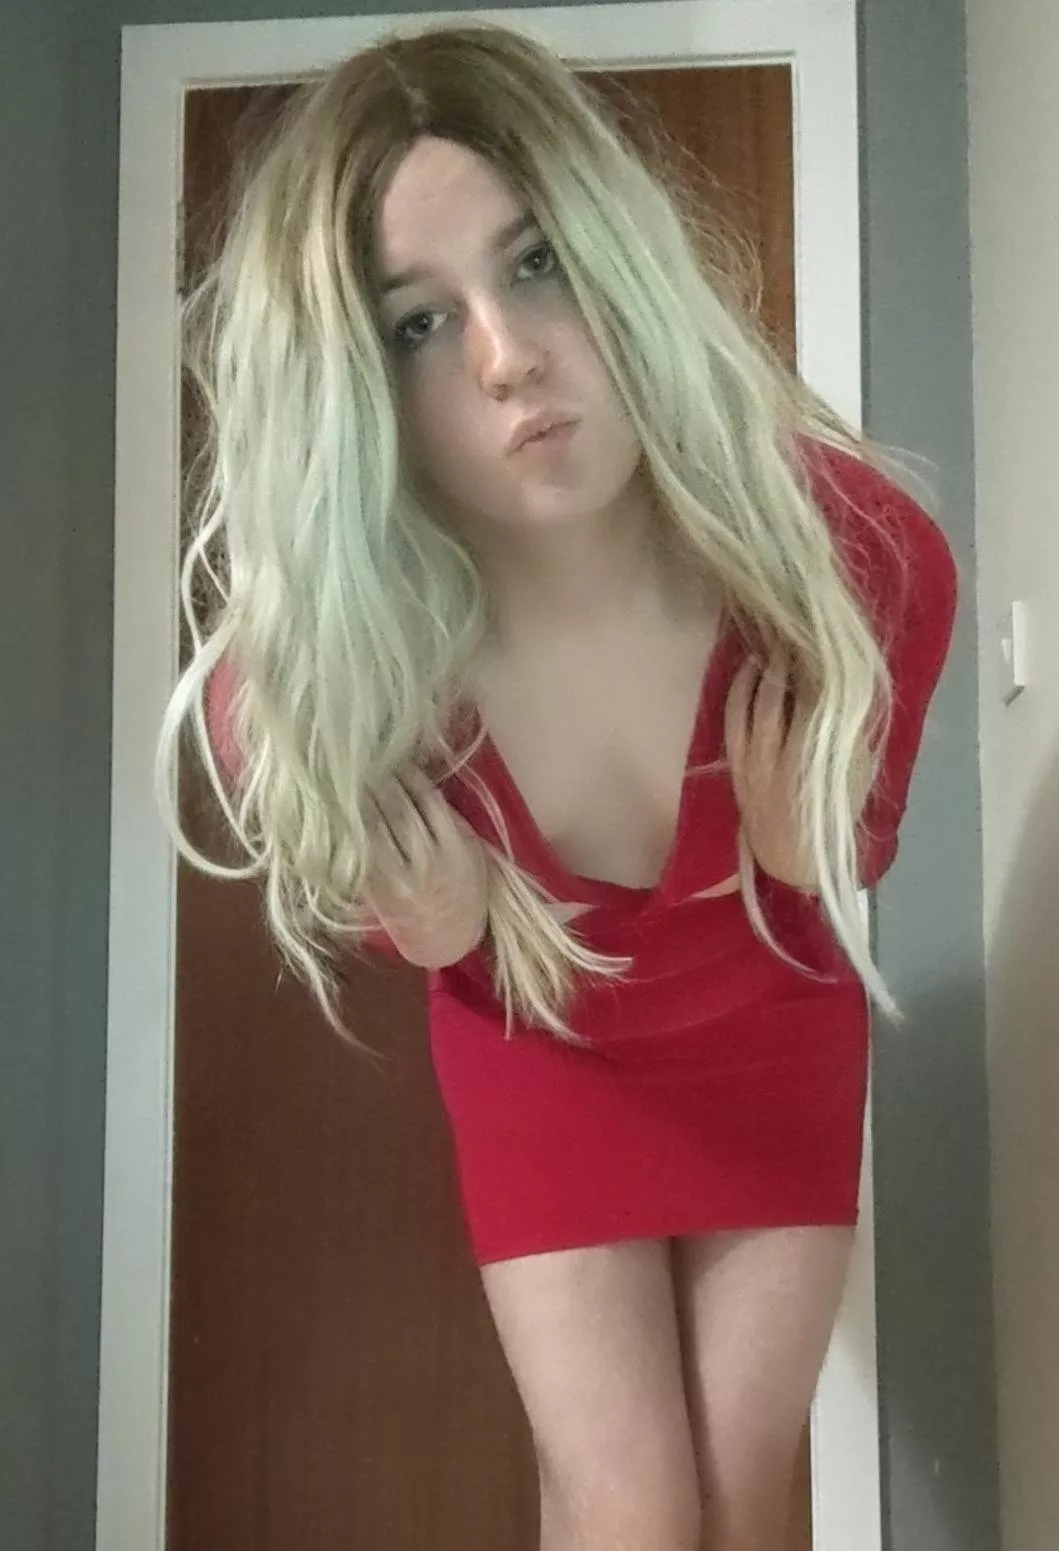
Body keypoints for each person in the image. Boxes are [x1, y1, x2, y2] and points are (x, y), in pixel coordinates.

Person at [157, 19, 959, 1551]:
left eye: (533, 265)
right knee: (628, 1505)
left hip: (772, 1021)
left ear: (616, 252)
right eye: (415, 322)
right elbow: (382, 901)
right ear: (351, 381)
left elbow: (866, 825)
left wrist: (812, 847)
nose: (505, 355)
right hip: (542, 1056)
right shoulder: (322, 674)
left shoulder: (855, 550)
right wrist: (432, 929)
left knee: (738, 1499)